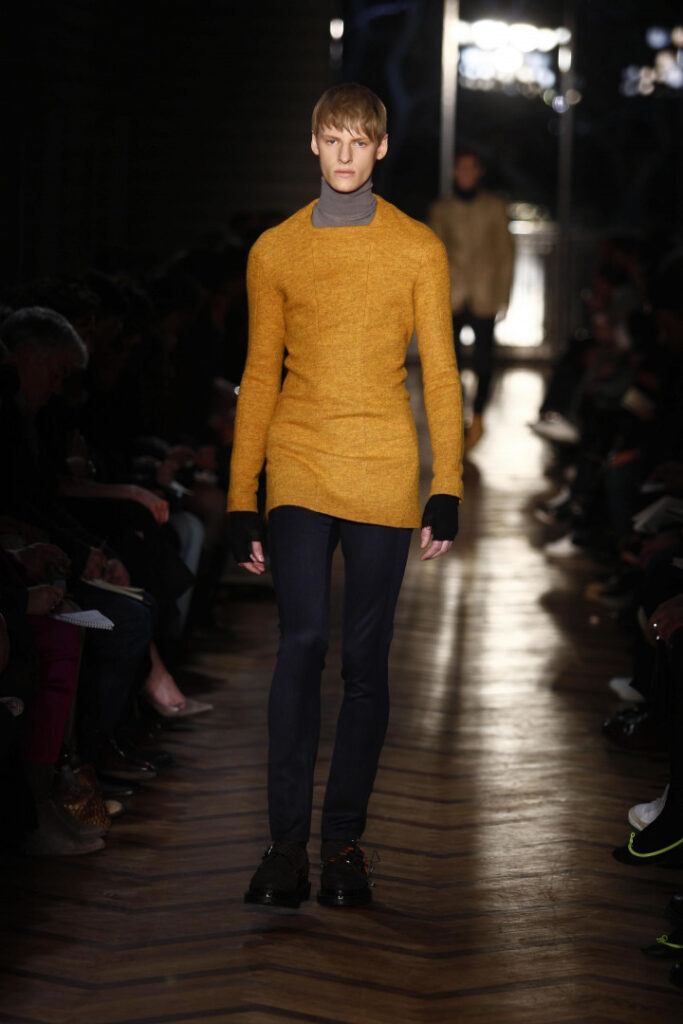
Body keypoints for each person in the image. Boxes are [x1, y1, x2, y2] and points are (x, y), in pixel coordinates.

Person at [227, 83, 463, 909]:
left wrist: (445, 485)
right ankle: (284, 848)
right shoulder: (275, 250)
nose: (344, 155)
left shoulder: (416, 248)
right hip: (297, 457)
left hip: (383, 465)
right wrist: (240, 498)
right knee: (301, 643)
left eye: (358, 141)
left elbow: (440, 373)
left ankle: (344, 847)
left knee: (365, 663)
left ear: (381, 147)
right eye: (331, 139)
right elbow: (259, 375)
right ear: (313, 143)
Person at [428, 149, 514, 450]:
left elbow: (505, 253)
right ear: (454, 172)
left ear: (479, 172)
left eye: (471, 167)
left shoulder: (495, 206)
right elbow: (433, 252)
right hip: (451, 291)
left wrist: (504, 295)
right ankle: (457, 417)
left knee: (484, 359)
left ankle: (477, 415)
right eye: (461, 167)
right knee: (449, 361)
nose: (466, 172)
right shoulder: (441, 208)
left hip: (484, 292)